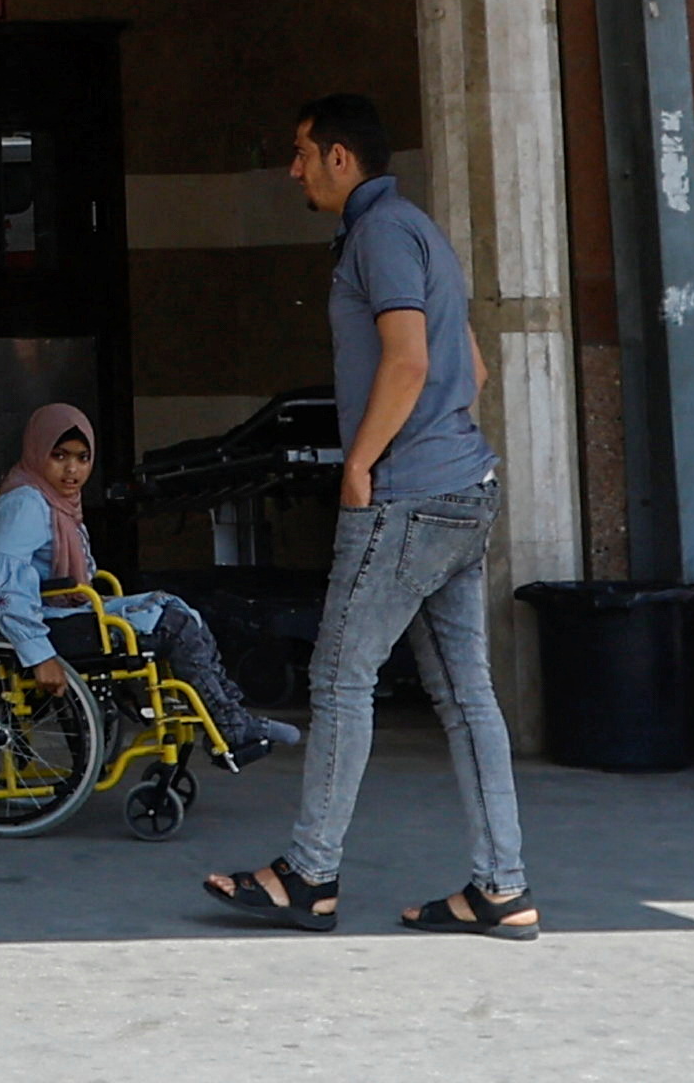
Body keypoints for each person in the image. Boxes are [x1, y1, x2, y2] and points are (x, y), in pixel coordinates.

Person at [206, 94, 534, 940]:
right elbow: (475, 370)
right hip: (465, 486)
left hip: (408, 497)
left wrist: (359, 463)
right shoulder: (420, 230)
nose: (294, 168)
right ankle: (502, 887)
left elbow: (411, 357)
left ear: (341, 159)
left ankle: (308, 877)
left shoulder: (379, 236)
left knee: (341, 680)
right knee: (467, 697)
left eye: (303, 153)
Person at [0, 402, 293, 758]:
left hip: (66, 607)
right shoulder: (28, 504)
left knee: (177, 608)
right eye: (59, 456)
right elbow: (1, 579)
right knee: (174, 623)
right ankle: (232, 726)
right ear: (37, 452)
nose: (72, 469)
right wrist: (38, 654)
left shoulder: (57, 501)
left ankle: (230, 717)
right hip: (48, 621)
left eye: (82, 458)